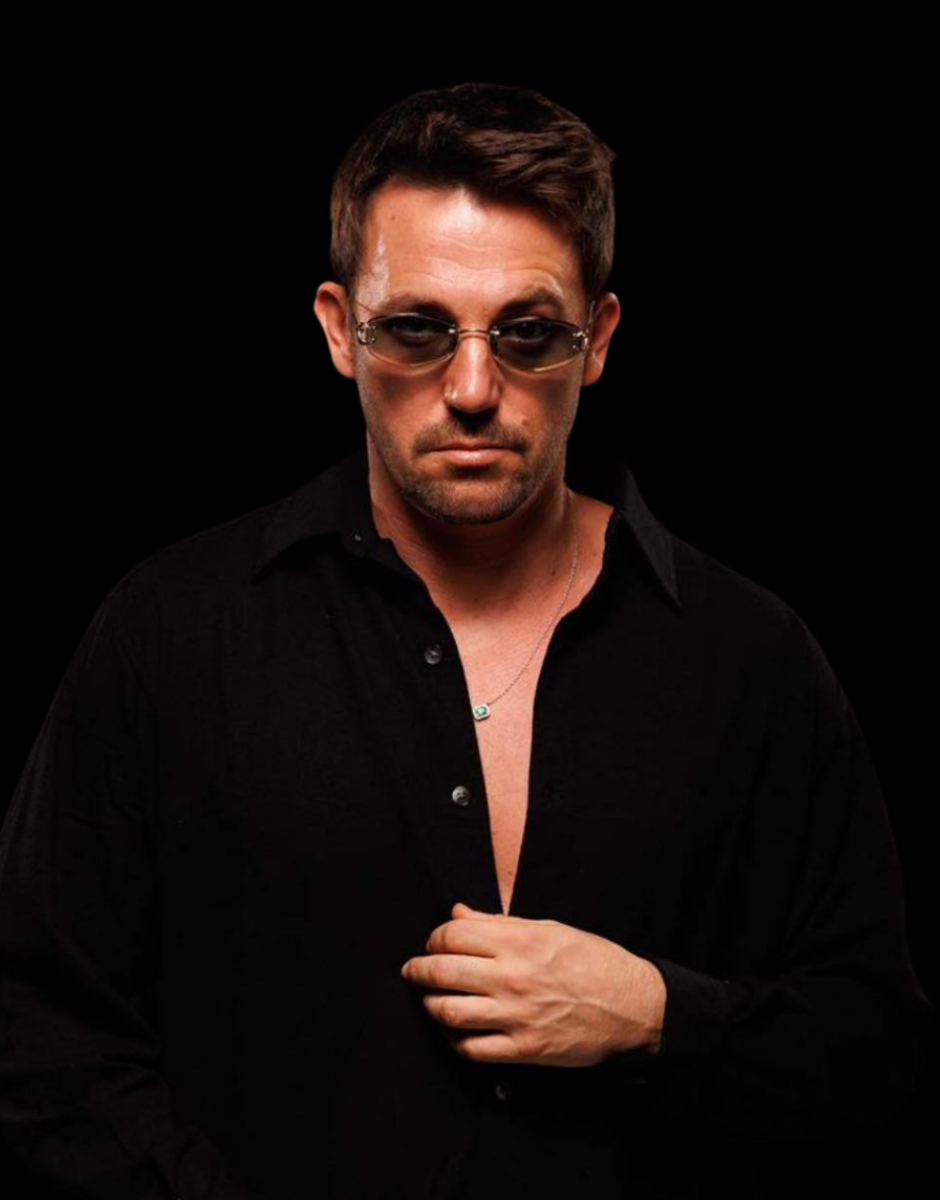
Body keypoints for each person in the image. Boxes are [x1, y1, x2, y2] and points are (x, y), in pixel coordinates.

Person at [0, 81, 935, 1200]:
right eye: (417, 330)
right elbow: (42, 1032)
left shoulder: (749, 655)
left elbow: (872, 1045)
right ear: (339, 331)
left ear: (598, 341)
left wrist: (659, 1016)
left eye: (528, 334)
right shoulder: (172, 631)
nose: (475, 389)